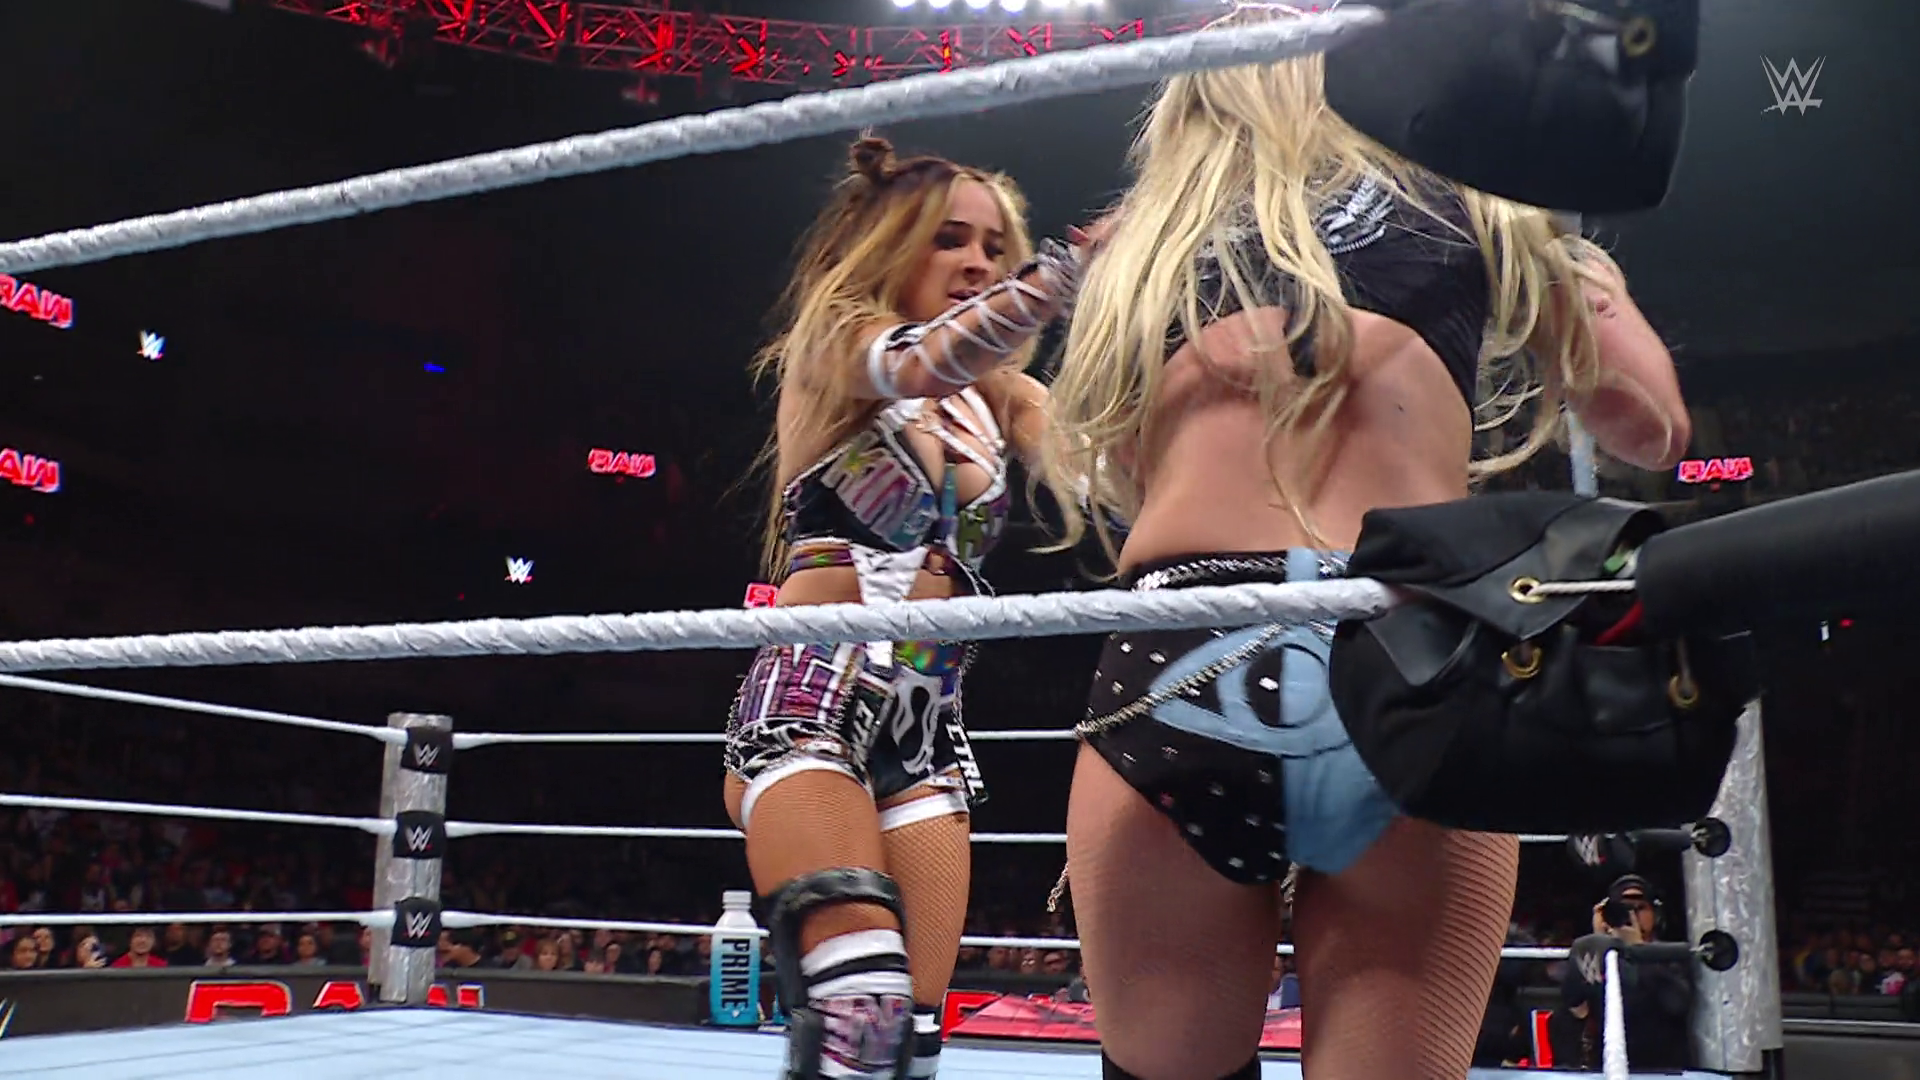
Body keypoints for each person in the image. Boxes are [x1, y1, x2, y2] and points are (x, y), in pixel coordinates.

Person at [1037, 8, 1691, 1078]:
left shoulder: (1142, 245)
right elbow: (1650, 427)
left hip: (1188, 652)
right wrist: (1559, 263)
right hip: (1410, 650)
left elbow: (1109, 464)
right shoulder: (1477, 201)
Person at [723, 135, 1091, 1079]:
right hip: (813, 698)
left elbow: (1112, 472)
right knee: (863, 1014)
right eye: (950, 239)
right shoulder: (837, 343)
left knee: (913, 1043)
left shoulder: (1005, 399)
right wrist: (1058, 277)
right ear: (893, 245)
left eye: (996, 248)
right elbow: (920, 363)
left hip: (926, 722)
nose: (978, 262)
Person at [1559, 876, 1694, 1069]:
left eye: (1640, 908)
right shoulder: (1593, 952)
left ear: (1655, 914)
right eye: (1624, 908)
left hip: (1663, 1065)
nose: (1632, 915)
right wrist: (1598, 941)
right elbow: (1576, 1010)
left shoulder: (1671, 953)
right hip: (1611, 1063)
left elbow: (1676, 1004)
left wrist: (1637, 949)